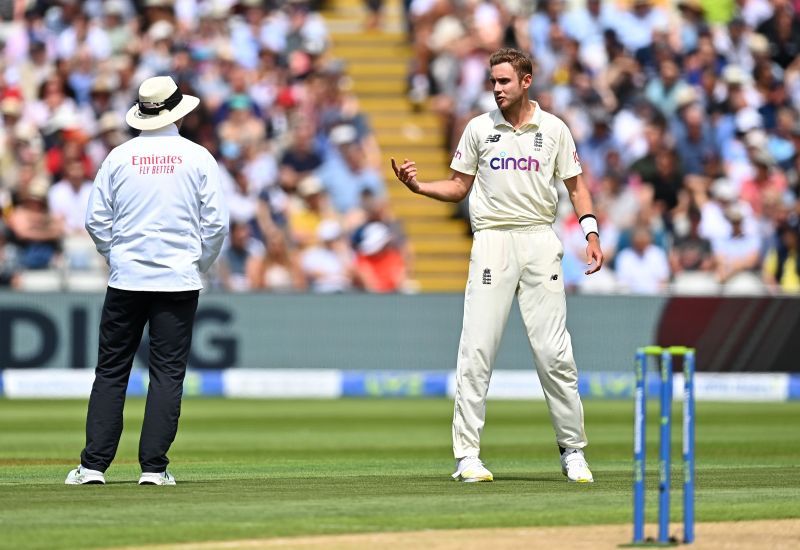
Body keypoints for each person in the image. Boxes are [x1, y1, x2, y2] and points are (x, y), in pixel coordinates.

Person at [392, 48, 603, 483]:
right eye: (493, 81)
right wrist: (418, 188)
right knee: (477, 351)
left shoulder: (555, 129)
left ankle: (573, 451)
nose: (496, 88)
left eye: (504, 81)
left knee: (554, 353)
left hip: (540, 238)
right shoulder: (478, 129)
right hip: (491, 240)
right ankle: (467, 456)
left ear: (527, 81)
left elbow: (577, 188)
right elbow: (457, 187)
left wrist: (591, 234)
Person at [66, 76, 229, 486]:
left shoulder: (119, 157)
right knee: (167, 374)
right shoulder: (197, 157)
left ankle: (93, 467)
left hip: (127, 280)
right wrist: (198, 265)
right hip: (177, 280)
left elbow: (95, 221)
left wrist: (117, 256)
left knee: (111, 371)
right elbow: (217, 225)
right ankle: (154, 469)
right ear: (178, 112)